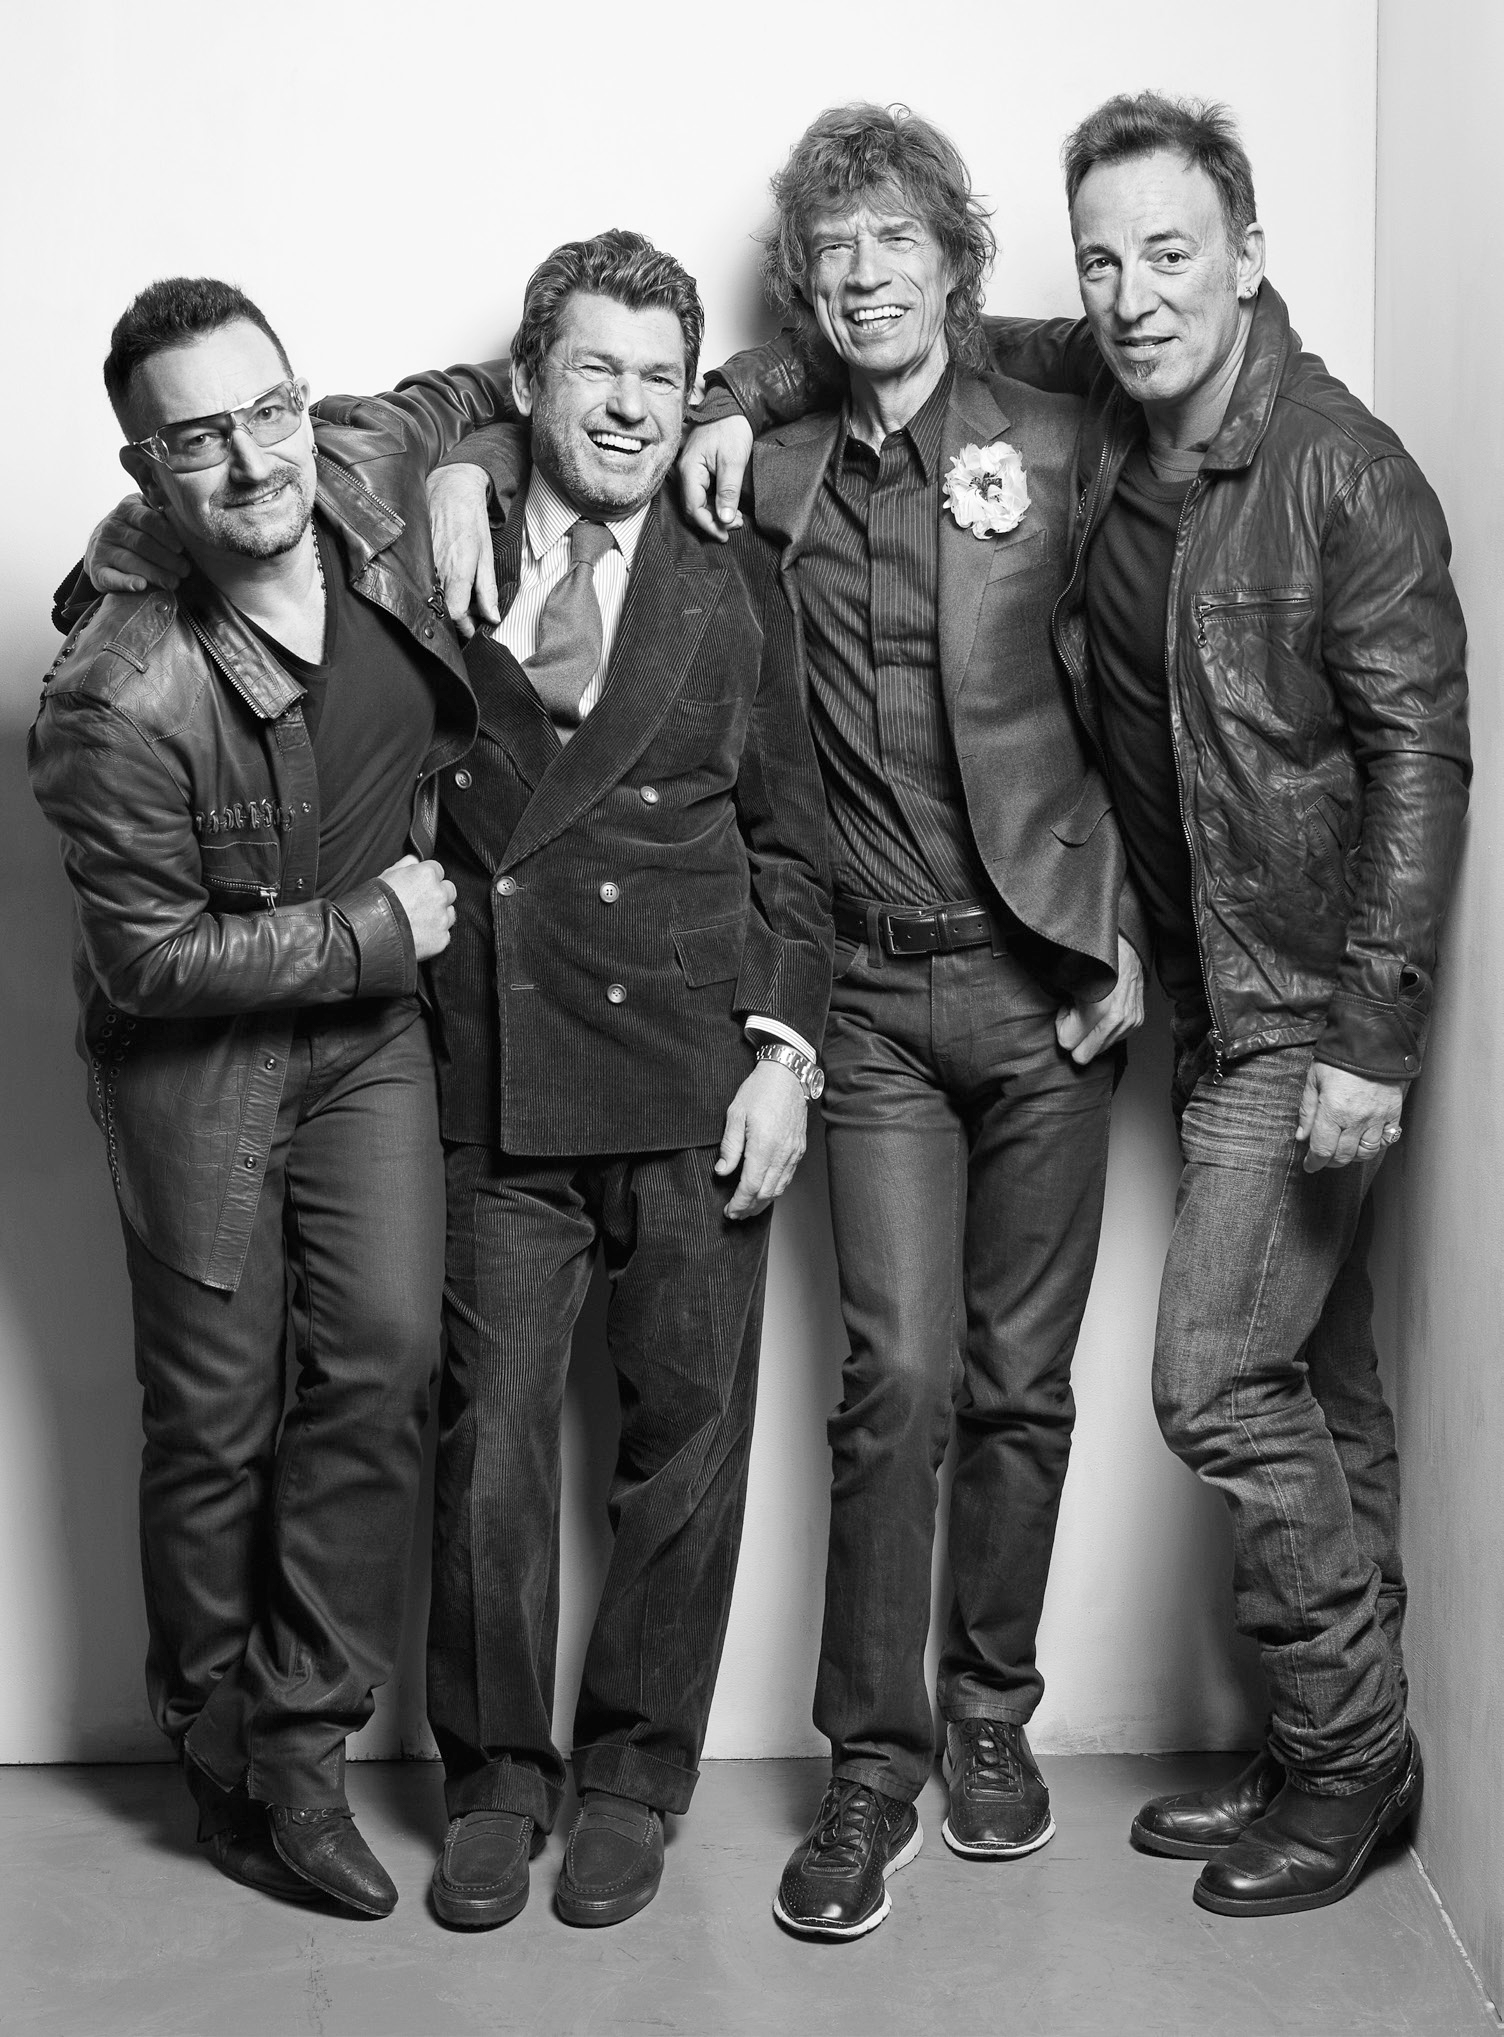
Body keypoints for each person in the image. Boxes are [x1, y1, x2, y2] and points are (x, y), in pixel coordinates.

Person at [681, 91, 1471, 1918]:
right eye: (1103, 258)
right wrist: (727, 396)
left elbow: (1408, 754)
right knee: (915, 1380)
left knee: (1128, 1385)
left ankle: (1140, 1740)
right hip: (920, 1004)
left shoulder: (1218, 453)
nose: (1128, 291)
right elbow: (769, 376)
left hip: (1127, 1002)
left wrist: (1355, 1024)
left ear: (1250, 254)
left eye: (1170, 251)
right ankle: (888, 1767)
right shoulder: (821, 459)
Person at [430, 108, 1145, 1942]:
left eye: (898, 239)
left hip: (1036, 978)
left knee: (1018, 1383)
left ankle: (983, 1724)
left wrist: (1129, 917)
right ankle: (861, 1764)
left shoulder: (1058, 438)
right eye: (834, 248)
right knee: (881, 1376)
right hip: (857, 1008)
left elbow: (1142, 683)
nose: (866, 272)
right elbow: (411, 424)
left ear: (957, 255)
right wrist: (450, 450)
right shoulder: (768, 470)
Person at [29, 278, 513, 1915]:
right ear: (141, 467)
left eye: (269, 411)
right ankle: (213, 1740)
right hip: (204, 1078)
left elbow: (492, 373)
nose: (252, 460)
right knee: (217, 1430)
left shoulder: (365, 463)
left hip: (370, 1042)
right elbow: (154, 958)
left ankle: (303, 1751)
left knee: (383, 1360)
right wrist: (377, 926)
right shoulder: (117, 689)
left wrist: (482, 455)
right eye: (199, 437)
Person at [416, 230, 832, 1933]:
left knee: (688, 1447)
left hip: (686, 1074)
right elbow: (323, 422)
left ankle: (638, 1774)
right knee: (488, 1448)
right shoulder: (429, 529)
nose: (636, 405)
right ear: (531, 383)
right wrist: (448, 457)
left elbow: (795, 850)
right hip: (495, 1078)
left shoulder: (739, 579)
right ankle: (498, 1777)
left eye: (664, 375)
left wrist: (786, 1056)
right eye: (598, 368)